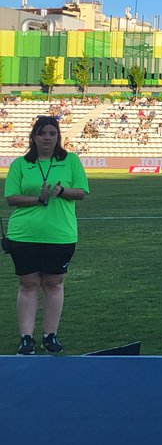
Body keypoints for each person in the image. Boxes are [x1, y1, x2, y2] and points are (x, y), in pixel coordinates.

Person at [5, 116, 90, 355]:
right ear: (34, 137)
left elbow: (82, 193)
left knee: (53, 284)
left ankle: (50, 335)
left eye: (52, 133)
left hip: (60, 234)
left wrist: (61, 191)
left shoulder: (71, 161)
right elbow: (11, 198)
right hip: (24, 234)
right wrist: (37, 199)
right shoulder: (20, 164)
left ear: (58, 136)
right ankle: (26, 338)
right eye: (43, 133)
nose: (47, 138)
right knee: (28, 284)